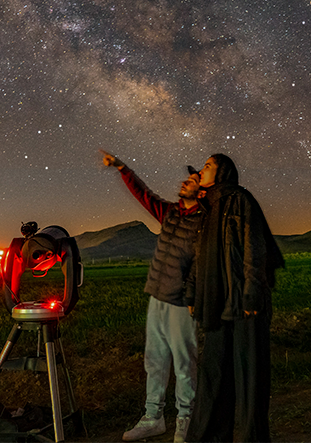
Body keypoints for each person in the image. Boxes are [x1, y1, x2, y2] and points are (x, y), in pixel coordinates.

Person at [101, 150, 203, 443]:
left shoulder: (204, 222)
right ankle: (152, 418)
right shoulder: (170, 212)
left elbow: (201, 263)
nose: (185, 182)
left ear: (203, 189)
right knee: (154, 361)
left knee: (184, 363)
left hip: (182, 301)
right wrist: (122, 167)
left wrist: (193, 295)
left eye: (193, 180)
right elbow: (143, 194)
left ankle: (186, 420)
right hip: (156, 296)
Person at [185, 154, 284, 442]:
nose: (201, 170)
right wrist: (193, 291)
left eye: (207, 166)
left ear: (223, 171)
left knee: (250, 378)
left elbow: (255, 246)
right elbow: (198, 256)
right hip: (217, 302)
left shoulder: (241, 200)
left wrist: (252, 293)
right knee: (214, 376)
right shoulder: (207, 209)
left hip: (244, 302)